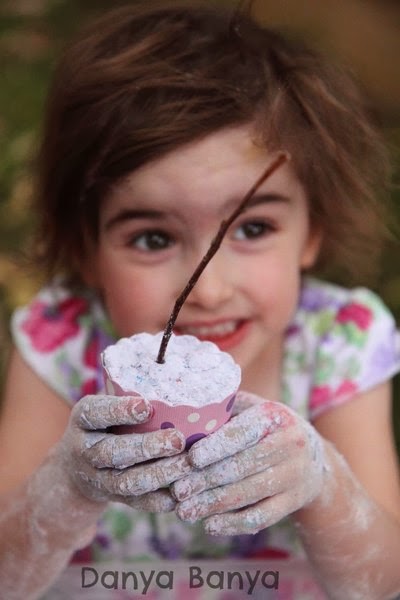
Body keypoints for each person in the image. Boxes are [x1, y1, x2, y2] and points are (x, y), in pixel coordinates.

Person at [0, 1, 399, 598]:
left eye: (252, 228)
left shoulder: (338, 346)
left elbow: (385, 581)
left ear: (311, 231)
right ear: (86, 251)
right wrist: (65, 487)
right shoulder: (64, 343)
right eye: (154, 238)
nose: (209, 290)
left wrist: (325, 486)